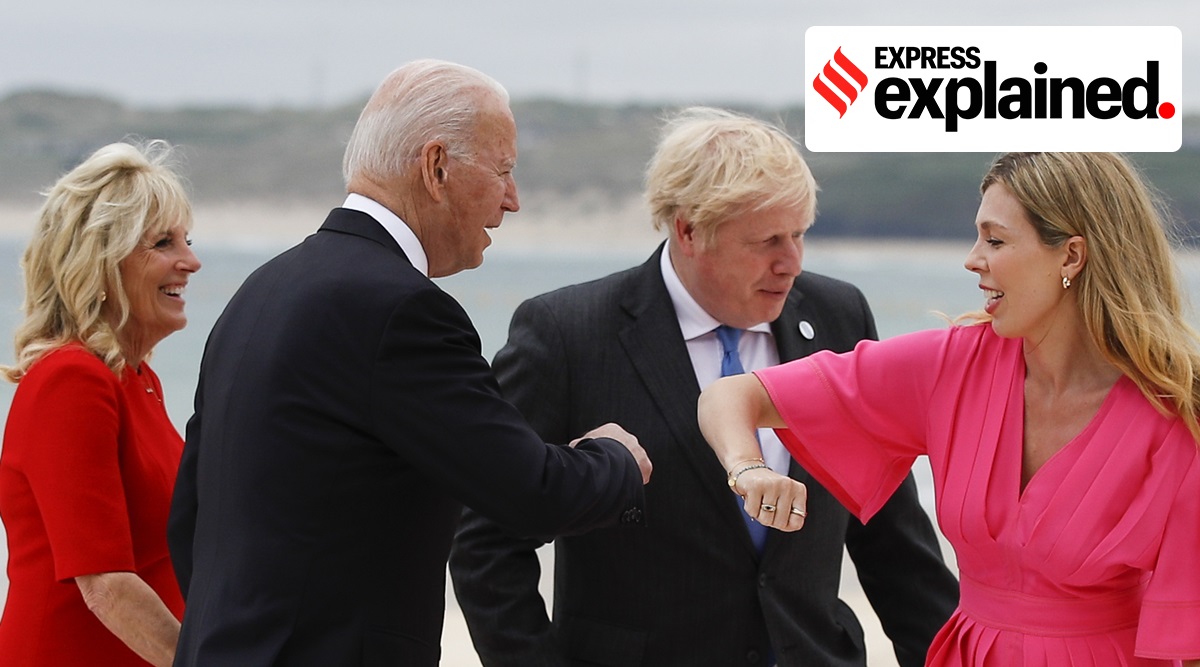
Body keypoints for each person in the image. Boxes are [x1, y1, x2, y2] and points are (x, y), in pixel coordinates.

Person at [166, 59, 651, 667]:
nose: (513, 199)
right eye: (503, 170)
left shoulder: (260, 291)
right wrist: (615, 459)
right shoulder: (402, 309)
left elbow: (189, 517)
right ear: (436, 167)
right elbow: (531, 492)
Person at [450, 107, 958, 667]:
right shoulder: (567, 333)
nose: (790, 262)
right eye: (766, 241)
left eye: (798, 235)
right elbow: (488, 541)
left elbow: (892, 538)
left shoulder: (839, 316)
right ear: (688, 230)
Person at [699, 151, 1200, 666]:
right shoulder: (952, 366)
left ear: (1071, 256)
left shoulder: (1179, 412)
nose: (972, 258)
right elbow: (730, 395)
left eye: (996, 240)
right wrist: (749, 468)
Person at [0, 141, 200, 666]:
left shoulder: (137, 380)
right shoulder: (71, 380)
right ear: (102, 263)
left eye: (187, 239)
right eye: (163, 243)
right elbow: (106, 583)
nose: (191, 261)